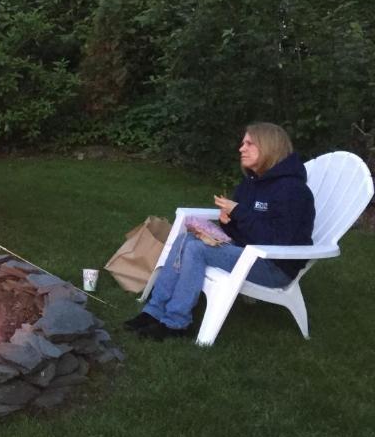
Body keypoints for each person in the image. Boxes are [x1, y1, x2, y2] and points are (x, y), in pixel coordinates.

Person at [125, 122, 316, 341]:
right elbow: (242, 231)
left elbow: (278, 241)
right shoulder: (251, 183)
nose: (241, 149)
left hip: (274, 267)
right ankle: (153, 311)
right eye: (243, 143)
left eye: (249, 144)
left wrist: (239, 213)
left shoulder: (293, 191)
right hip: (246, 253)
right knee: (186, 239)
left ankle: (176, 323)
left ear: (269, 146)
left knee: (197, 249)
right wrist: (228, 222)